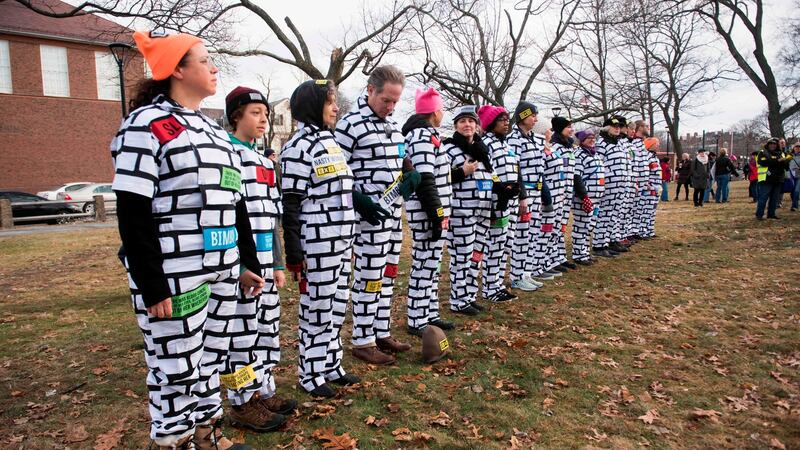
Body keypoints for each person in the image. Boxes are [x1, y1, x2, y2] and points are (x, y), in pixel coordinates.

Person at [112, 31, 258, 450]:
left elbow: (237, 205)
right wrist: (152, 283)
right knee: (175, 364)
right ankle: (173, 441)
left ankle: (207, 434)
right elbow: (132, 212)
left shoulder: (214, 132)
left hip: (222, 271)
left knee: (210, 357)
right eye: (205, 61)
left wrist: (244, 263)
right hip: (175, 276)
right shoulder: (145, 125)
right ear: (177, 69)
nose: (214, 69)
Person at [280, 79, 359, 398]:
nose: (336, 107)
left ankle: (330, 365)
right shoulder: (298, 147)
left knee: (338, 305)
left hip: (341, 243)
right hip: (317, 243)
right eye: (330, 102)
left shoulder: (332, 142)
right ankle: (310, 373)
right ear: (313, 107)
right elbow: (291, 203)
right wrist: (295, 253)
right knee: (317, 308)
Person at [223, 86, 295, 431]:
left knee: (265, 331)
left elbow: (273, 216)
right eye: (255, 112)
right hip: (241, 266)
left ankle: (262, 390)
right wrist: (238, 266)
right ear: (236, 116)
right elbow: (226, 215)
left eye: (266, 113)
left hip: (266, 263)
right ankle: (241, 402)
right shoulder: (226, 155)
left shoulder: (267, 162)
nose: (263, 118)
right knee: (241, 337)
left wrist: (278, 263)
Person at [335, 66, 417, 365]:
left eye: (396, 101)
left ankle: (380, 330)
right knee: (369, 276)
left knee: (387, 274)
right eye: (386, 100)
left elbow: (400, 155)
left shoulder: (393, 124)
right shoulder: (349, 125)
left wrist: (410, 173)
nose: (391, 106)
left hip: (393, 214)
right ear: (370, 90)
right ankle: (362, 340)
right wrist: (358, 201)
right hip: (366, 216)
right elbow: (336, 173)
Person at [401, 88, 455, 335]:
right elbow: (425, 177)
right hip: (427, 212)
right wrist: (436, 215)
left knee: (432, 265)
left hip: (435, 210)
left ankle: (429, 312)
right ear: (435, 111)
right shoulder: (422, 136)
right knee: (423, 265)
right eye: (441, 108)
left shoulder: (429, 135)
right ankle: (417, 320)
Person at [444, 106, 495, 316]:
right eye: (463, 121)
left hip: (482, 211)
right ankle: (458, 300)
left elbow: (490, 175)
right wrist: (461, 172)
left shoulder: (482, 150)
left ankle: (469, 296)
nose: (468, 125)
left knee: (476, 256)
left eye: (471, 121)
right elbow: (440, 178)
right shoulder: (448, 148)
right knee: (462, 257)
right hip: (461, 212)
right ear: (456, 125)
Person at [479, 105, 520, 302]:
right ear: (491, 123)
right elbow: (489, 173)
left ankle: (497, 283)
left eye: (507, 119)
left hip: (509, 202)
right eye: (502, 119)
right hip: (496, 202)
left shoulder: (507, 145)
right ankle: (489, 287)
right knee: (494, 244)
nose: (506, 123)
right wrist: (501, 190)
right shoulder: (486, 144)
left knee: (504, 244)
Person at [506, 101, 546, 290]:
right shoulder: (514, 139)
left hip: (536, 192)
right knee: (521, 235)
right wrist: (522, 195)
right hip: (526, 192)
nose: (535, 119)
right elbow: (516, 170)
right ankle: (516, 276)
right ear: (523, 116)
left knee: (531, 235)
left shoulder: (534, 139)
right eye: (532, 115)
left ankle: (526, 273)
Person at [594, 116, 628, 256]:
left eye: (619, 127)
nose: (617, 129)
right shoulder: (602, 143)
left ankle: (610, 240)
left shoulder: (618, 143)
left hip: (620, 184)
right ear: (607, 128)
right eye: (615, 126)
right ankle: (599, 245)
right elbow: (599, 164)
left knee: (614, 214)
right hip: (609, 184)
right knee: (605, 214)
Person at [549, 116, 578, 272]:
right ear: (560, 129)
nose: (571, 129)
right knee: (553, 227)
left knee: (562, 227)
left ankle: (560, 256)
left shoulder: (569, 147)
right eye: (568, 127)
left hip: (567, 193)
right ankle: (551, 259)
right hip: (556, 193)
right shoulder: (555, 147)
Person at [571, 129, 604, 265]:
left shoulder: (595, 154)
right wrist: (584, 196)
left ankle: (584, 252)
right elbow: (577, 177)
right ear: (582, 140)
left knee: (589, 226)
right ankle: (578, 255)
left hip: (596, 198)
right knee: (581, 226)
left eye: (593, 137)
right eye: (588, 138)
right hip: (585, 197)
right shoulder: (579, 155)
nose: (592, 140)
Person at [755, 137, 792, 219]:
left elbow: (786, 166)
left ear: (777, 145)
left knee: (774, 199)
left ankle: (771, 214)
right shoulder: (762, 152)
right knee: (763, 198)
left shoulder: (782, 153)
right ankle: (759, 214)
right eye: (771, 144)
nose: (772, 145)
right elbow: (763, 162)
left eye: (774, 144)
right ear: (768, 144)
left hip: (778, 178)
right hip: (766, 178)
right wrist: (777, 161)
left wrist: (785, 161)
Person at [641, 137, 662, 238]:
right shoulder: (647, 156)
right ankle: (643, 231)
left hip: (657, 186)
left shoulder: (655, 157)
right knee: (646, 210)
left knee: (652, 210)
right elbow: (645, 171)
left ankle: (650, 230)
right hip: (650, 187)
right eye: (656, 143)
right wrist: (648, 184)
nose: (658, 145)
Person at [790, 142, 800, 211]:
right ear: (793, 148)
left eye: (799, 147)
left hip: (799, 175)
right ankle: (795, 203)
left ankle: (794, 206)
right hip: (791, 176)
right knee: (792, 192)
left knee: (796, 191)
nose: (797, 148)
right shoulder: (790, 156)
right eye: (796, 147)